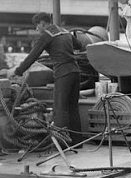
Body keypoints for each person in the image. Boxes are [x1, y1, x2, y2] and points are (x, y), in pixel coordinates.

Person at [12, 12, 83, 145]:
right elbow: (79, 45)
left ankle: (62, 144)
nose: (36, 29)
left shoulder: (47, 35)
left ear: (43, 24)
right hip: (75, 72)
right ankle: (78, 142)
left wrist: (18, 71)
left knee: (60, 108)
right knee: (73, 107)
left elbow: (33, 56)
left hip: (63, 74)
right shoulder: (64, 31)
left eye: (36, 26)